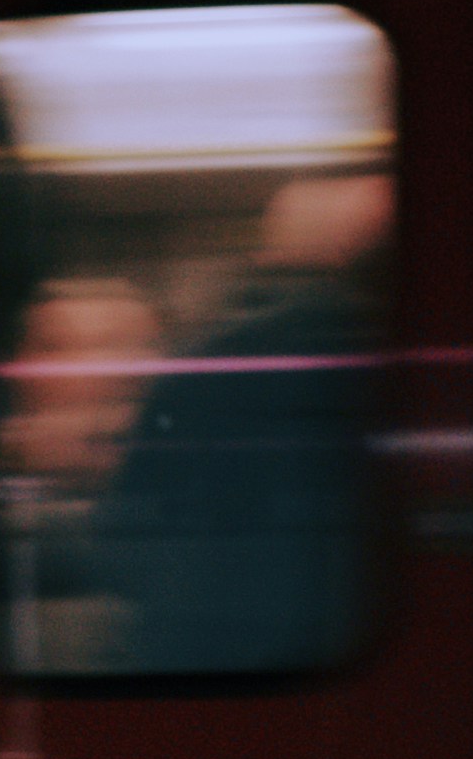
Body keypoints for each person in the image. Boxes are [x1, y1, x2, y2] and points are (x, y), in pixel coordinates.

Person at [101, 168, 388, 673]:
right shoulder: (381, 362)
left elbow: (127, 524)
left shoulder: (199, 366)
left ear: (268, 251)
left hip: (195, 652)